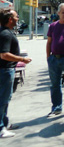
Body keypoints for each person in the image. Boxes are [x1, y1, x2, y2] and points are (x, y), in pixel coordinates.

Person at [0, 9, 32, 138]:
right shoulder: (6, 34)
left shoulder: (6, 32)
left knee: (5, 99)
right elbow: (4, 54)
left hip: (7, 70)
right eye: (16, 16)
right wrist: (22, 59)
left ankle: (4, 123)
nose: (18, 18)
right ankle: (1, 128)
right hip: (5, 70)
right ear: (10, 19)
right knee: (3, 100)